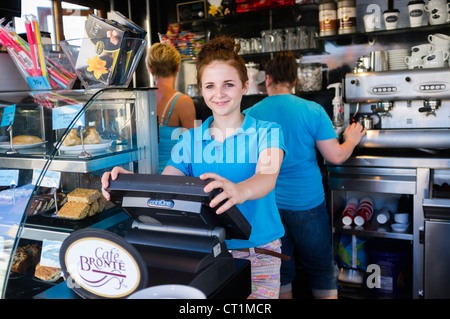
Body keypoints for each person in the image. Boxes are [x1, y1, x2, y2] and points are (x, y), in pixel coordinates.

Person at [102, 36, 288, 299]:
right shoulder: (188, 140)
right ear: (201, 90)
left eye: (229, 84)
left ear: (245, 86)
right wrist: (130, 181)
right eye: (210, 85)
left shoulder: (267, 132)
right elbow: (166, 186)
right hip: (204, 251)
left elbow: (266, 177)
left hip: (258, 253)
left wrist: (238, 191)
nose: (219, 93)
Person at [244, 51, 366, 299]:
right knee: (321, 269)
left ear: (268, 79)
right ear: (295, 81)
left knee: (279, 271)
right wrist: (351, 140)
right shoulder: (312, 110)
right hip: (307, 204)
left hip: (268, 206)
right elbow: (335, 156)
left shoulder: (251, 114)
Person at [146, 42, 197, 173]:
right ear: (178, 68)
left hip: (140, 176)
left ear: (150, 69)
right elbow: (193, 147)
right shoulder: (183, 102)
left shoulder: (140, 100)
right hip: (172, 179)